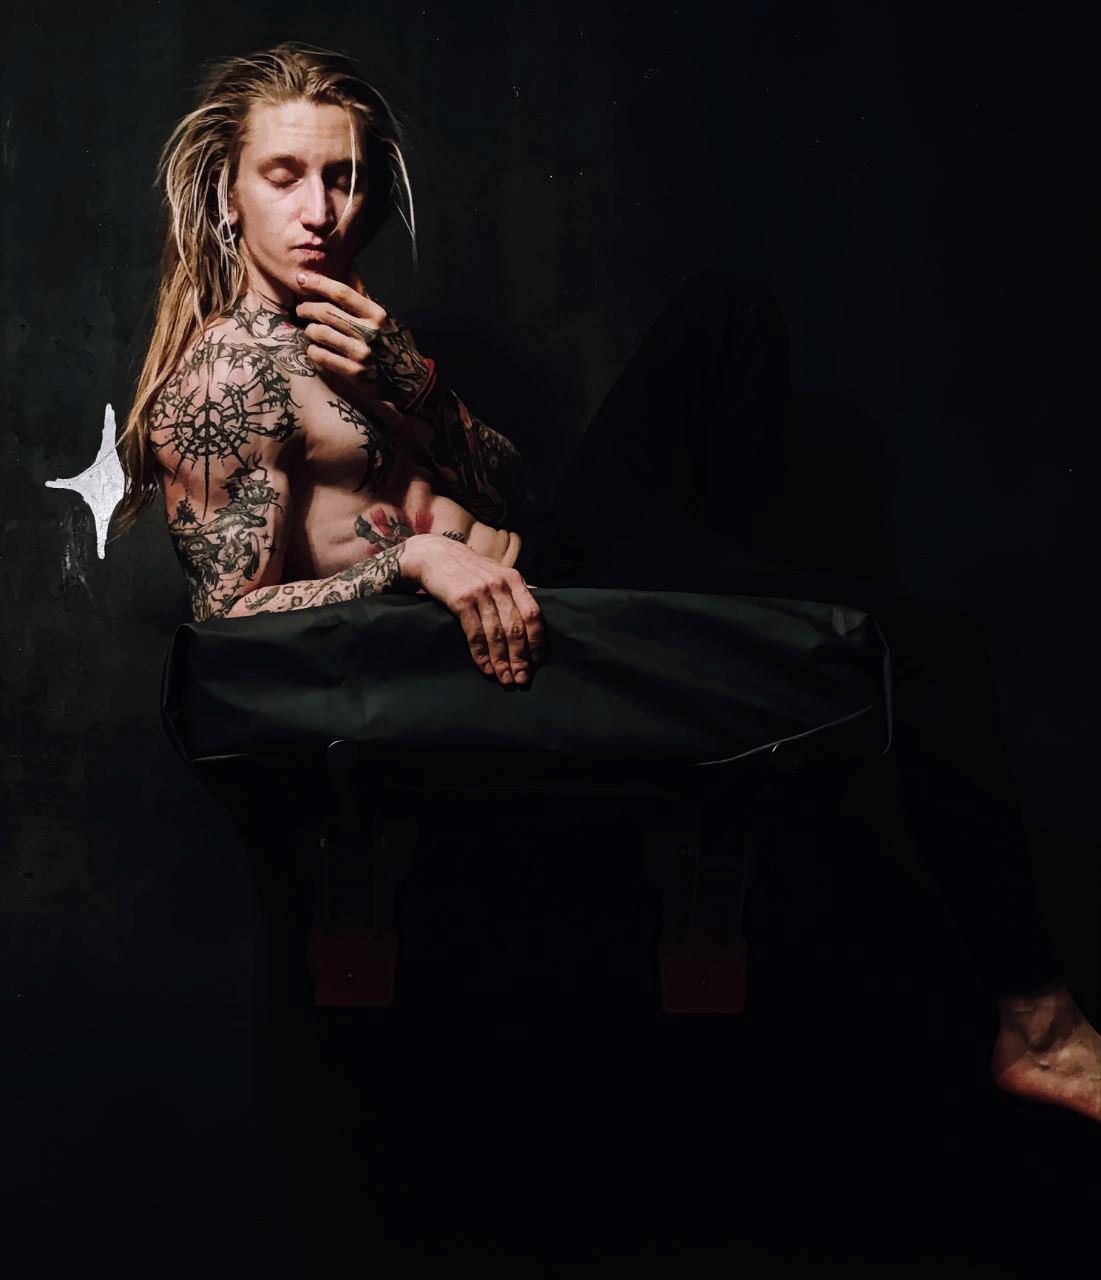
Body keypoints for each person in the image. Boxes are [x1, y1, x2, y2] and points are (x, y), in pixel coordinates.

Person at [114, 41, 1099, 1125]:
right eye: (284, 176)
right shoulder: (227, 379)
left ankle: (749, 623)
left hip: (556, 557)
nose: (320, 211)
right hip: (535, 616)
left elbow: (510, 487)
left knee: (724, 314)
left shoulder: (353, 337)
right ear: (228, 196)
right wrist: (415, 558)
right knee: (927, 647)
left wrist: (419, 388)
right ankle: (1039, 1031)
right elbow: (228, 622)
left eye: (341, 178)